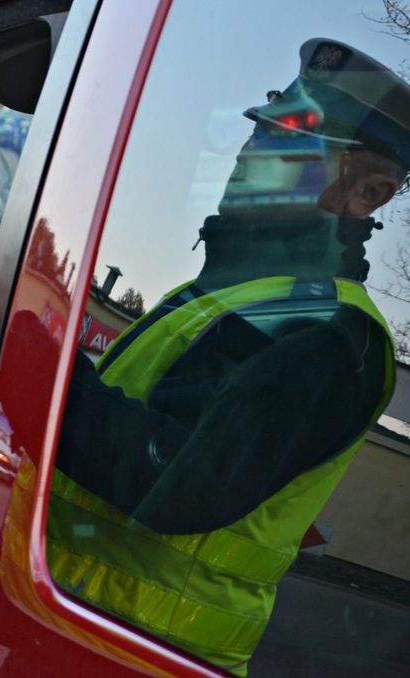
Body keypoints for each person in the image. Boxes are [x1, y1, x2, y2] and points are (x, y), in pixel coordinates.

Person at [44, 38, 410, 675]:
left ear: (367, 195)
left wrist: (37, 372)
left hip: (144, 654)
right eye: (265, 120)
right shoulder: (226, 293)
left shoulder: (330, 333)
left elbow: (177, 482)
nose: (253, 145)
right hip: (68, 622)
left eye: (292, 133)